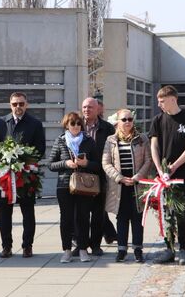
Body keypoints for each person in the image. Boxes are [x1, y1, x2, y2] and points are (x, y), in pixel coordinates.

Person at [0, 92, 46, 258]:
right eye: (15, 104)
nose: (18, 107)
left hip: (26, 175)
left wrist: (25, 157)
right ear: (10, 105)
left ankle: (28, 246)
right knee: (5, 213)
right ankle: (6, 246)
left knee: (28, 212)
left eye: (21, 104)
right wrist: (3, 151)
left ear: (26, 104)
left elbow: (40, 148)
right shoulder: (0, 122)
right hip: (5, 175)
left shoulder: (35, 124)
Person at [149, 85, 185, 265]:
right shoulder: (158, 120)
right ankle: (169, 247)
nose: (159, 104)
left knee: (181, 211)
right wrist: (160, 169)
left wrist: (175, 165)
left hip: (181, 174)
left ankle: (183, 248)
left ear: (172, 99)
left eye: (162, 101)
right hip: (163, 176)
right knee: (165, 212)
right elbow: (154, 145)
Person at [48, 112, 101, 263]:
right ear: (66, 125)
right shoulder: (61, 141)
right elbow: (51, 164)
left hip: (84, 184)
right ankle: (66, 250)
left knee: (83, 217)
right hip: (65, 185)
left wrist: (86, 164)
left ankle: (83, 249)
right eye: (73, 124)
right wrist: (65, 164)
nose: (76, 127)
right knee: (66, 218)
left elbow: (98, 165)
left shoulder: (89, 141)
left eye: (79, 124)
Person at [102, 108, 152, 263]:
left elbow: (148, 160)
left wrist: (138, 177)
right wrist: (119, 178)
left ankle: (138, 249)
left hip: (137, 183)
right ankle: (121, 249)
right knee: (122, 217)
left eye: (130, 119)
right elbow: (106, 162)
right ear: (118, 122)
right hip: (119, 185)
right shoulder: (111, 140)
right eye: (124, 120)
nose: (128, 122)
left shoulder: (142, 138)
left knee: (137, 217)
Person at [81, 97, 117, 255]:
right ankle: (81, 244)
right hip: (80, 174)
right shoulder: (76, 124)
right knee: (80, 214)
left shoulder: (107, 128)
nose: (86, 110)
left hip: (101, 174)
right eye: (84, 107)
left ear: (98, 109)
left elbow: (114, 151)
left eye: (90, 107)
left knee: (98, 213)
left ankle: (95, 245)